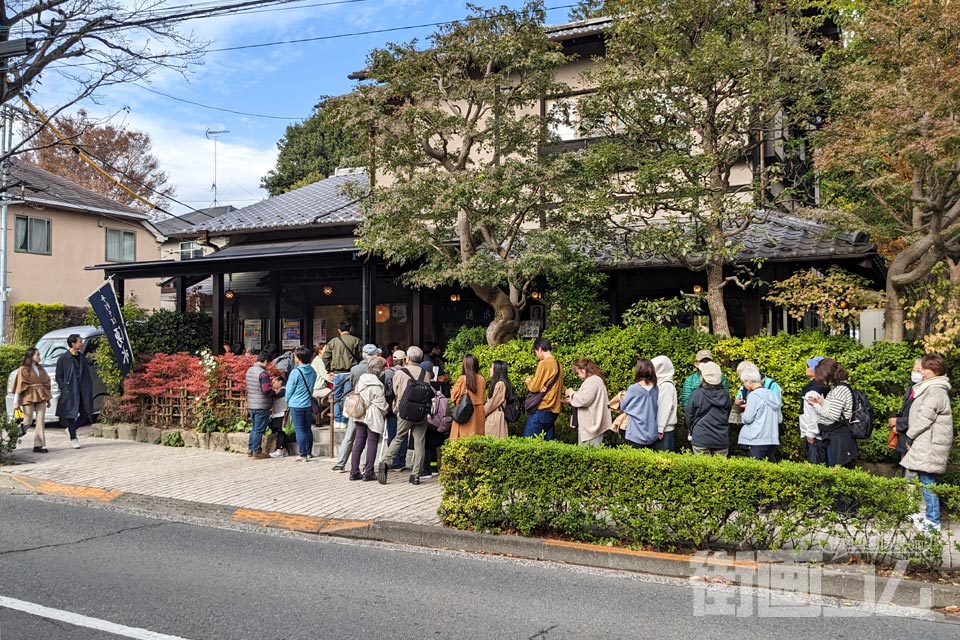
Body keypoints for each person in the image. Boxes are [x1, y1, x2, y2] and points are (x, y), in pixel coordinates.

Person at [900, 354, 954, 532]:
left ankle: (933, 522)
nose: (921, 372)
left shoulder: (935, 390)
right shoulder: (931, 388)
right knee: (925, 480)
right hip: (927, 442)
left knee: (927, 481)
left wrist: (910, 435)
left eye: (924, 369)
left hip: (929, 443)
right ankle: (929, 519)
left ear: (935, 370)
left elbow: (924, 417)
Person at [378, 345, 433, 485]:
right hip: (421, 412)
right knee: (419, 442)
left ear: (407, 359)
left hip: (405, 411)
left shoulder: (400, 373)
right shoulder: (425, 374)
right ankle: (415, 474)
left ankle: (386, 461)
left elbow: (396, 391)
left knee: (399, 437)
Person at [333, 343, 380, 471]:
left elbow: (353, 385)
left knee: (351, 435)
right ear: (375, 355)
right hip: (373, 406)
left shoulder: (355, 369)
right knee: (371, 438)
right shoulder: (378, 368)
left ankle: (341, 462)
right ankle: (367, 466)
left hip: (357, 404)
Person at [806, 358, 857, 468]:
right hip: (835, 436)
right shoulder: (838, 388)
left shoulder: (840, 390)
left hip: (839, 438)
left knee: (837, 471)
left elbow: (833, 415)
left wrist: (815, 405)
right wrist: (822, 402)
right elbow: (833, 408)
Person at [349, 356, 389, 481]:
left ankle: (354, 471)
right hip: (373, 416)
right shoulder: (377, 385)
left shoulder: (362, 380)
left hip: (359, 413)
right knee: (372, 442)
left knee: (358, 442)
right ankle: (368, 472)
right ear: (380, 369)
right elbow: (382, 405)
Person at [322, 320, 362, 436]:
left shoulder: (333, 342)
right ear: (350, 329)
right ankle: (345, 420)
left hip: (337, 374)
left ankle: (337, 420)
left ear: (339, 330)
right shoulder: (356, 341)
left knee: (335, 397)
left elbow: (325, 357)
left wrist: (329, 369)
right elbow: (360, 356)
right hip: (350, 373)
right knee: (348, 397)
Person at [55, 333, 94, 449]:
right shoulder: (63, 359)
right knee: (71, 414)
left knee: (86, 412)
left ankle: (71, 429)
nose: (81, 344)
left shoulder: (82, 357)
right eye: (79, 342)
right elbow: (59, 376)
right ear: (73, 344)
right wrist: (64, 387)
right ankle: (73, 437)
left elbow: (86, 374)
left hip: (83, 389)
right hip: (70, 390)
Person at [685, 361, 731, 456]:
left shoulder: (697, 394)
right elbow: (727, 413)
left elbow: (689, 415)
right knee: (720, 469)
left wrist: (691, 428)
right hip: (721, 437)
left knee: (702, 469)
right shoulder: (725, 395)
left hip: (701, 436)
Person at [245, 350, 285, 459]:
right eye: (268, 363)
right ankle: (257, 451)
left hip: (252, 404)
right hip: (262, 405)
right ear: (265, 361)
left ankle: (251, 449)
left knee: (254, 428)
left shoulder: (250, 370)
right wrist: (274, 392)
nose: (268, 365)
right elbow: (266, 390)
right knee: (259, 429)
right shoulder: (263, 373)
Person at [564, 358, 612, 446]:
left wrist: (571, 393)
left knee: (588, 455)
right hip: (591, 426)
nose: (578, 375)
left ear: (582, 370)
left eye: (577, 373)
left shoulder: (592, 380)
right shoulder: (596, 380)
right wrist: (572, 399)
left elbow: (584, 399)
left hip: (591, 427)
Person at [523, 338, 564, 440]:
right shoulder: (559, 364)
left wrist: (528, 381)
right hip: (553, 409)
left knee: (528, 442)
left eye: (536, 352)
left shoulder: (544, 363)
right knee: (547, 445)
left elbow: (534, 387)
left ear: (540, 349)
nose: (537, 355)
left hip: (542, 408)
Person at [13, 347, 52, 453]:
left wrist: (47, 399)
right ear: (31, 356)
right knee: (27, 420)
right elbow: (19, 385)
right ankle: (14, 434)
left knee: (40, 420)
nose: (39, 357)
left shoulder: (40, 368)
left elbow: (46, 383)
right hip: (28, 396)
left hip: (41, 396)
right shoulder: (23, 369)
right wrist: (16, 402)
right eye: (37, 355)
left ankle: (38, 445)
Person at [738, 367, 781, 461]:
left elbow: (747, 419)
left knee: (755, 470)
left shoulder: (754, 395)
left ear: (749, 381)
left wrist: (742, 415)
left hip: (756, 438)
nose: (744, 386)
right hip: (772, 438)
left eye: (744, 382)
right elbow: (779, 418)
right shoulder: (772, 394)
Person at [285, 345, 317, 461]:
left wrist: (287, 400)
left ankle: (302, 454)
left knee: (299, 429)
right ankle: (309, 452)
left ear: (298, 358)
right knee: (307, 428)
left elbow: (289, 390)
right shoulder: (312, 371)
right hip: (307, 403)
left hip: (296, 404)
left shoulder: (295, 372)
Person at [619, 358, 659, 449]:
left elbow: (622, 406)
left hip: (635, 433)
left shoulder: (633, 388)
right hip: (652, 434)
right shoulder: (655, 389)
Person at [889, 359, 923, 463]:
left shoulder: (925, 391)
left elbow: (921, 417)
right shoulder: (911, 387)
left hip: (916, 439)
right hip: (905, 435)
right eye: (914, 370)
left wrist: (898, 423)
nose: (915, 374)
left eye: (918, 370)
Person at [799, 356, 830, 464]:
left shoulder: (814, 389)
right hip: (815, 433)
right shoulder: (820, 386)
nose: (806, 368)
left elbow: (814, 414)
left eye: (808, 366)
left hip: (815, 436)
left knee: (815, 466)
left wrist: (811, 433)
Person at [450, 354, 486, 440]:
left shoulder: (462, 379)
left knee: (462, 439)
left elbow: (453, 396)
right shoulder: (482, 379)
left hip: (465, 411)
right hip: (478, 414)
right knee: (476, 439)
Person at [384, 349, 408, 469]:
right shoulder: (407, 372)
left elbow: (387, 392)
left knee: (392, 434)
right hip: (404, 407)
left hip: (390, 408)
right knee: (402, 435)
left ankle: (393, 460)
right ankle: (401, 461)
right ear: (404, 360)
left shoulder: (388, 373)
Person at [651, 355, 677, 452]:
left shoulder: (666, 386)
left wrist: (660, 429)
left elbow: (664, 408)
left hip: (665, 431)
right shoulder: (663, 384)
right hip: (663, 430)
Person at [484, 360, 515, 438]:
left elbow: (493, 403)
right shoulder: (500, 383)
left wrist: (482, 411)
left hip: (496, 417)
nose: (490, 370)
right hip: (497, 416)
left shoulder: (500, 384)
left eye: (492, 367)